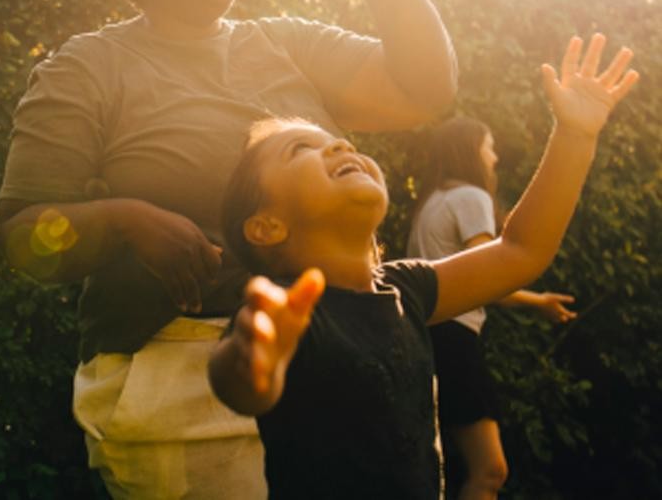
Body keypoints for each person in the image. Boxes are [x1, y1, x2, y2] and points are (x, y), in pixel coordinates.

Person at [0, 0, 457, 499]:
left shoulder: (286, 42)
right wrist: (123, 220)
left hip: (338, 362)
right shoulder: (86, 68)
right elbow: (23, 236)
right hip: (182, 392)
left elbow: (427, 89)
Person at [208, 34, 637, 500]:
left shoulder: (405, 287)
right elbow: (240, 384)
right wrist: (254, 363)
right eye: (301, 150)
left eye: (341, 143)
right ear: (266, 227)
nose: (339, 149)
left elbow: (521, 250)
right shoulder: (288, 313)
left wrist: (575, 135)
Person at [407, 116, 577, 500]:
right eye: (489, 146)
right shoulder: (470, 197)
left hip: (424, 338)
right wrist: (540, 303)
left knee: (446, 465)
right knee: (490, 470)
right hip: (455, 339)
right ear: (471, 151)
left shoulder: (431, 201)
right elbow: (489, 278)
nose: (495, 157)